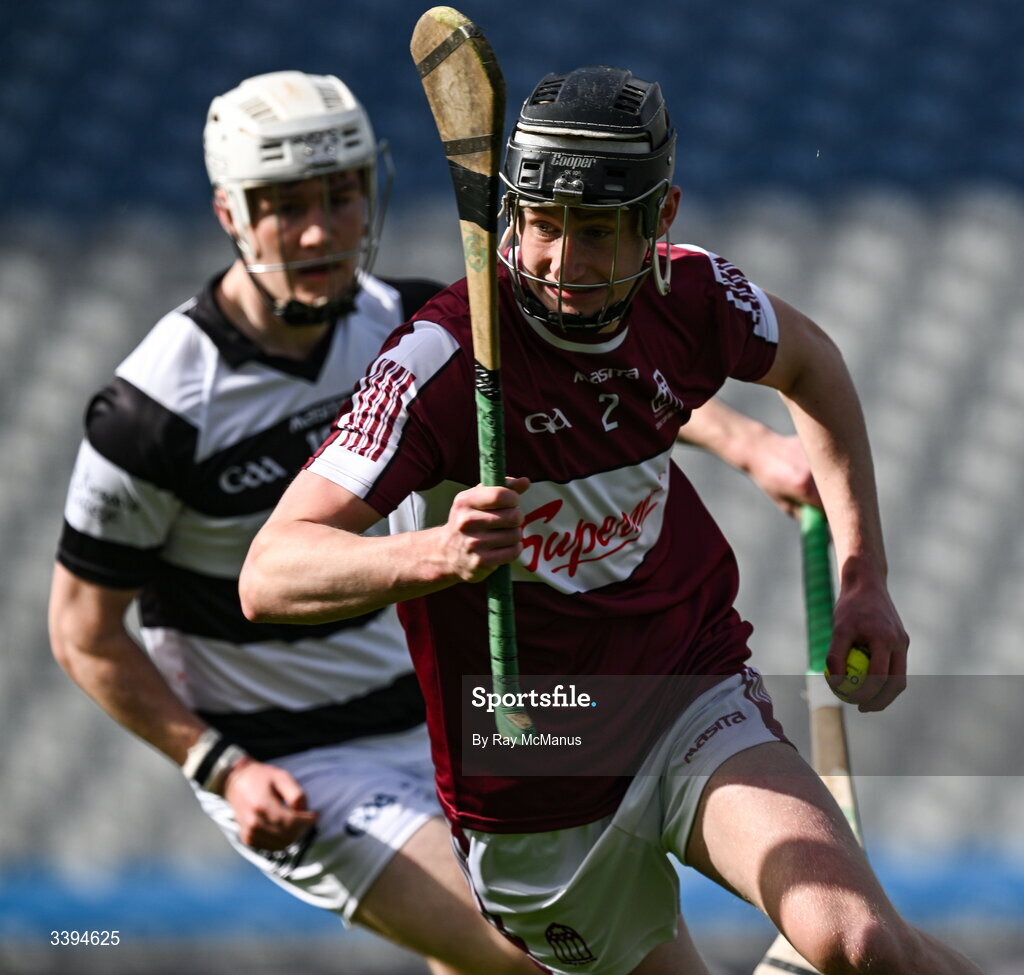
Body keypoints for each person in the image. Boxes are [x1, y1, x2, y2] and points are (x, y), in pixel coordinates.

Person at [48, 69, 819, 975]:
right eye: (284, 205)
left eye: (342, 196)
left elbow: (591, 390)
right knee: (529, 957)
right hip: (303, 762)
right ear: (227, 213)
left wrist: (749, 446)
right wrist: (220, 765)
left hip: (448, 713)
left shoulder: (410, 322)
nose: (319, 231)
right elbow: (83, 633)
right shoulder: (156, 411)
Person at [239, 66, 985, 975]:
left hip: (681, 690)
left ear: (659, 217)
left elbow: (814, 364)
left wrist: (864, 574)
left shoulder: (692, 295)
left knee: (860, 939)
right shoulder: (437, 360)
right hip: (534, 758)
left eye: (597, 230)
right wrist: (433, 552)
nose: (565, 263)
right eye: (545, 225)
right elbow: (270, 571)